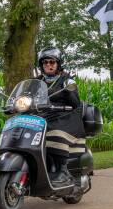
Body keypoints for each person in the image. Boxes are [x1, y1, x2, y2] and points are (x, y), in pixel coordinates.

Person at [34, 47, 85, 188]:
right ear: (41, 65)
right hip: (43, 116)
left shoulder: (65, 80)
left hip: (65, 115)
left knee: (53, 131)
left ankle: (63, 171)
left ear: (58, 64)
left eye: (52, 62)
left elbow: (75, 102)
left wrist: (69, 91)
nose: (48, 65)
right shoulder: (37, 81)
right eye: (45, 63)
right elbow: (27, 96)